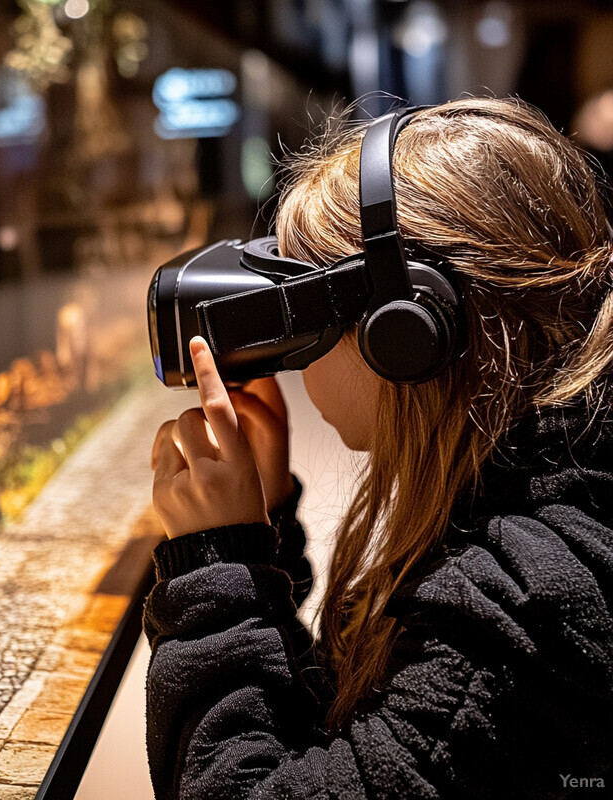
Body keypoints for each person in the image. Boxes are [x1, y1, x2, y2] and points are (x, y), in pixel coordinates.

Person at [145, 97, 613, 799]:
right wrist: (259, 540)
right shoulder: (533, 494)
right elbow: (349, 757)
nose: (289, 361)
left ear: (409, 336)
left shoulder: (524, 619)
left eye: (305, 319)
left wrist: (218, 569)